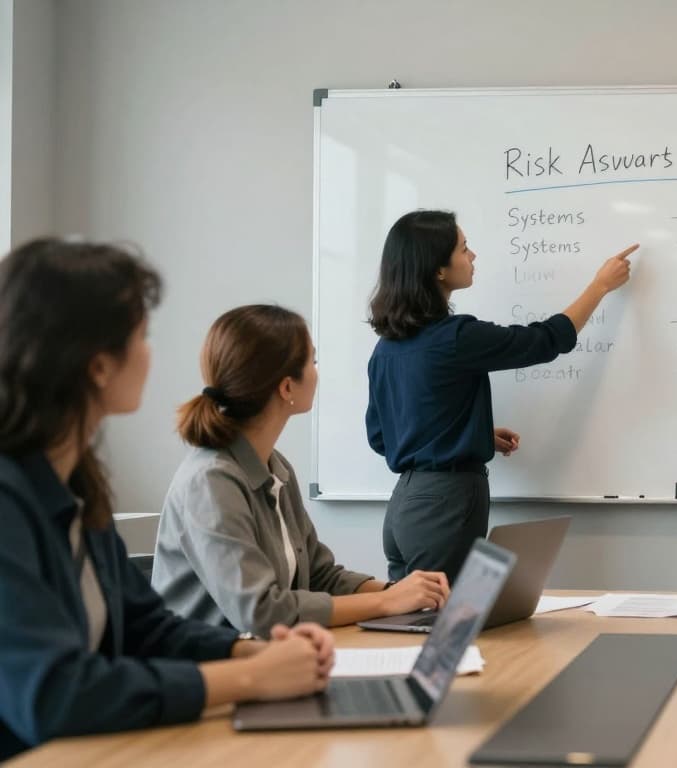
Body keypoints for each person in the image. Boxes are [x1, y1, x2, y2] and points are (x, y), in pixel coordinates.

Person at [0, 239, 335, 761]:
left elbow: (143, 626)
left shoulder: (79, 482)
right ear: (97, 366)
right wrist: (250, 676)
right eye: (141, 335)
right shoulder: (8, 500)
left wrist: (252, 650)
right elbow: (55, 693)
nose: (150, 351)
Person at [366, 209, 636, 582]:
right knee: (443, 624)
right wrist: (599, 287)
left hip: (403, 508)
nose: (473, 256)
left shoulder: (386, 348)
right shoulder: (455, 338)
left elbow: (382, 437)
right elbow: (543, 341)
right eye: (464, 248)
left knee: (409, 623)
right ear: (438, 270)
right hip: (447, 501)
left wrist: (470, 433)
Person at [154, 305, 449, 636]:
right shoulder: (209, 482)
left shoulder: (275, 467)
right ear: (286, 388)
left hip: (267, 659)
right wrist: (388, 602)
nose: (317, 371)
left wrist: (402, 591)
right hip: (211, 675)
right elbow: (262, 612)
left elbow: (321, 577)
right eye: (313, 361)